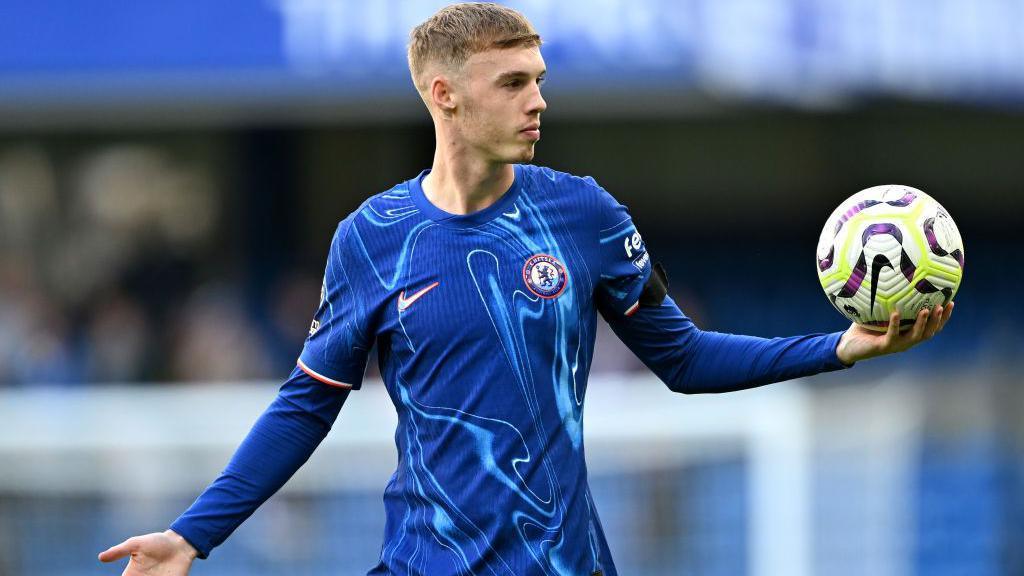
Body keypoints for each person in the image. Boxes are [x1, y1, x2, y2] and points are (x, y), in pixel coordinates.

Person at [98, 3, 954, 575]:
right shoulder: (373, 238)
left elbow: (685, 360)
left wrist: (843, 346)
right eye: (514, 82)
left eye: (539, 77)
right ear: (445, 95)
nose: (538, 99)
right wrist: (193, 534)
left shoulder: (582, 214)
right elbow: (304, 404)